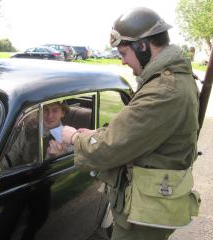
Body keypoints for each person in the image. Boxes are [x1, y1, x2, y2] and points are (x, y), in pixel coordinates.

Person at [62, 7, 199, 240]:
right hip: (153, 202)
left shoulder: (164, 89)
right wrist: (100, 131)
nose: (123, 61)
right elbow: (139, 128)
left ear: (142, 46)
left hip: (143, 215)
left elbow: (109, 147)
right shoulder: (172, 79)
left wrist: (74, 137)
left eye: (124, 53)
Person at [4, 101, 71, 167]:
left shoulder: (68, 138)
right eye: (45, 110)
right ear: (40, 112)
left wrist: (56, 160)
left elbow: (67, 170)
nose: (49, 116)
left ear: (63, 113)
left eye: (55, 110)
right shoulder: (30, 128)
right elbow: (13, 154)